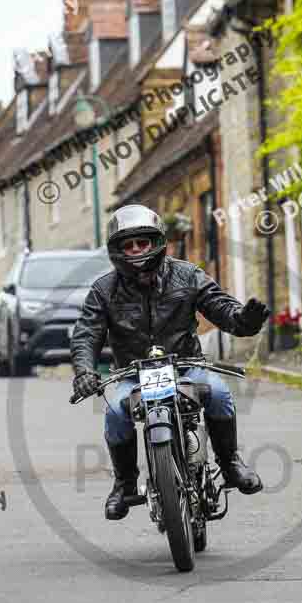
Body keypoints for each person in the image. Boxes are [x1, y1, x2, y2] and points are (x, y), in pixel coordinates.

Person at [71, 205, 270, 521]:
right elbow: (86, 334)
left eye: (142, 243)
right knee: (115, 412)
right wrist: (84, 371)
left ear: (156, 242)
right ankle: (124, 484)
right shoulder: (103, 290)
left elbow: (221, 307)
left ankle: (230, 464)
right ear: (117, 250)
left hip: (186, 366)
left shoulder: (188, 275)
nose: (136, 250)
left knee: (219, 394)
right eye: (128, 245)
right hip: (134, 374)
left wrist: (244, 321)